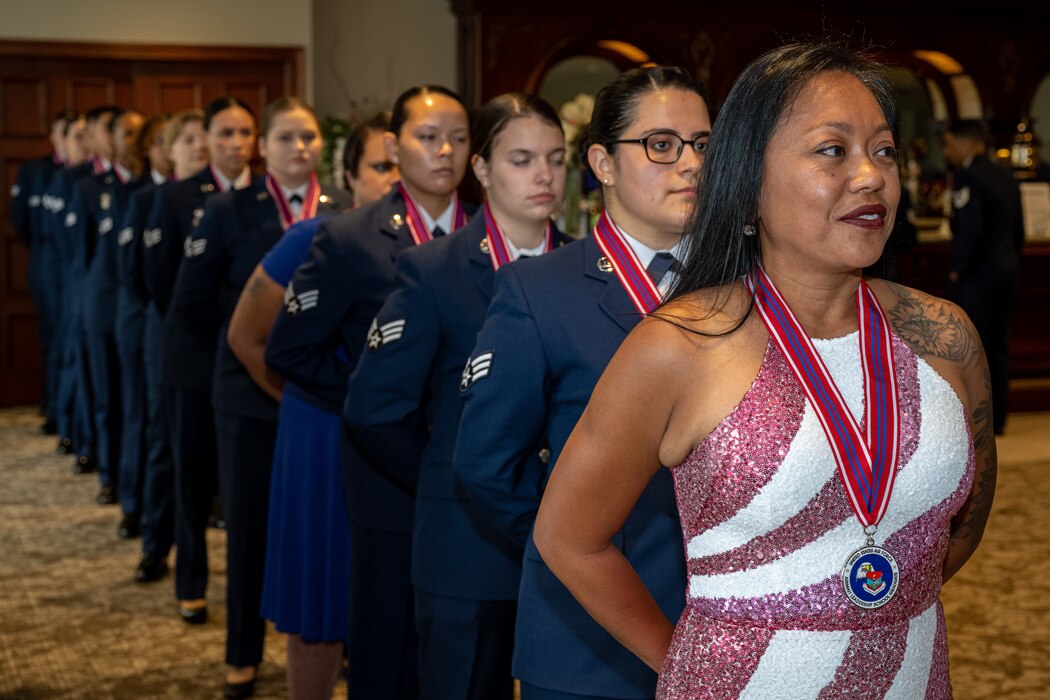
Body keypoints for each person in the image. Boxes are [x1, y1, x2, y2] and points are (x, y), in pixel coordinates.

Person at [532, 43, 996, 698]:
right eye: (833, 150)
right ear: (748, 183)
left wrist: (868, 608)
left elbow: (964, 522)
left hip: (915, 675)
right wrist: (686, 662)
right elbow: (568, 537)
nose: (870, 176)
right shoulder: (677, 346)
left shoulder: (946, 336)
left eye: (885, 150)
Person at [454, 67, 710, 699]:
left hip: (730, 623)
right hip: (589, 639)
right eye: (661, 145)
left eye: (703, 144)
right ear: (602, 161)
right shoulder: (540, 291)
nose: (690, 164)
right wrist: (578, 535)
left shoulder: (745, 287)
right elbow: (486, 464)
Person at [346, 93, 570, 700]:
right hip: (464, 541)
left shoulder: (587, 267)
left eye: (555, 157)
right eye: (522, 159)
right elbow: (375, 410)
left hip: (572, 541)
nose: (544, 175)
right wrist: (447, 473)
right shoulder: (434, 269)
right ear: (482, 168)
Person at [265, 84, 471, 700]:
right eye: (428, 138)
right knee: (386, 643)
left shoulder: (490, 234)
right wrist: (375, 398)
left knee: (464, 641)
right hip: (389, 470)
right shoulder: (350, 237)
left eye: (458, 139)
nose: (444, 152)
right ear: (393, 144)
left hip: (470, 471)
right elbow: (289, 349)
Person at [172, 96, 350, 699]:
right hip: (250, 395)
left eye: (308, 138)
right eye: (285, 139)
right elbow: (193, 302)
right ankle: (242, 655)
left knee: (324, 536)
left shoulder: (347, 211)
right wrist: (258, 365)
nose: (299, 149)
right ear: (263, 148)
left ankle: (338, 645)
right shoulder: (226, 209)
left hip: (324, 403)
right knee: (250, 531)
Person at [225, 112, 396, 699]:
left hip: (403, 444)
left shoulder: (449, 247)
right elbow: (247, 338)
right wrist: (306, 407)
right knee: (320, 606)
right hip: (323, 432)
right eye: (381, 166)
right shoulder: (312, 238)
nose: (394, 178)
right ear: (349, 176)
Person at [143, 96, 255, 627]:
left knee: (246, 489)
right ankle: (191, 581)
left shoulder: (269, 199)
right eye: (225, 133)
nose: (236, 143)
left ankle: (253, 593)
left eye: (245, 132)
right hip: (192, 359)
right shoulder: (174, 197)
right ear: (205, 138)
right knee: (191, 475)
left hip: (256, 369)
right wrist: (229, 338)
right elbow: (163, 285)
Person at [125, 110, 207, 583]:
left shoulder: (230, 201)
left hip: (215, 339)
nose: (198, 147)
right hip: (169, 333)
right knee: (165, 441)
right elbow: (145, 279)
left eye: (203, 139)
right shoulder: (153, 200)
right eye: (188, 140)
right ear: (169, 150)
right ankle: (157, 542)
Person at [70, 108, 147, 506]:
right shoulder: (91, 187)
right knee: (108, 395)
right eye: (128, 133)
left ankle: (135, 479)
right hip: (103, 301)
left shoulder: (150, 191)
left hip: (139, 309)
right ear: (113, 139)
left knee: (137, 402)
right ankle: (110, 472)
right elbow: (80, 254)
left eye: (140, 134)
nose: (134, 142)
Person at [943, 120, 1024, 436]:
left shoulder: (969, 177)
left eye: (949, 145)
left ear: (965, 144)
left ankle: (979, 421)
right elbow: (1017, 229)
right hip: (1007, 268)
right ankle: (999, 417)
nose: (946, 152)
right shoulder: (1006, 175)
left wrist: (956, 270)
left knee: (973, 349)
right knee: (999, 343)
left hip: (978, 275)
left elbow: (971, 231)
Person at [114, 113, 171, 540]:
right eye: (163, 142)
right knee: (143, 417)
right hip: (145, 320)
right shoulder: (139, 196)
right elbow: (130, 273)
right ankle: (134, 506)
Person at [9, 108, 77, 436]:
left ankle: (64, 407)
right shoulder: (36, 170)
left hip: (72, 265)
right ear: (55, 136)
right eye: (65, 132)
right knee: (51, 336)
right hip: (46, 262)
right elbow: (21, 220)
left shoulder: (82, 176)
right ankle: (51, 404)